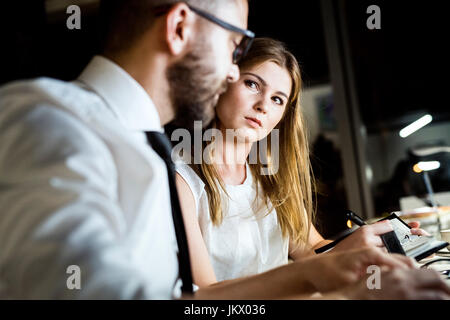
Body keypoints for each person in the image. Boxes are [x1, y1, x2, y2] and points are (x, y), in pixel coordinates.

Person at [0, 1, 447, 300]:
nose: (233, 74)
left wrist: (329, 268)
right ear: (178, 27)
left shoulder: (144, 151)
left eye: (276, 98)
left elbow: (191, 302)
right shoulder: (49, 118)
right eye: (235, 48)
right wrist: (314, 277)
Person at [174, 38, 431, 286]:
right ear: (224, 82)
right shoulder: (181, 177)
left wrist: (367, 246)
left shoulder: (269, 175)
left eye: (277, 99)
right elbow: (206, 295)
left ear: (283, 115)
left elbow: (310, 250)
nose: (263, 105)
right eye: (252, 84)